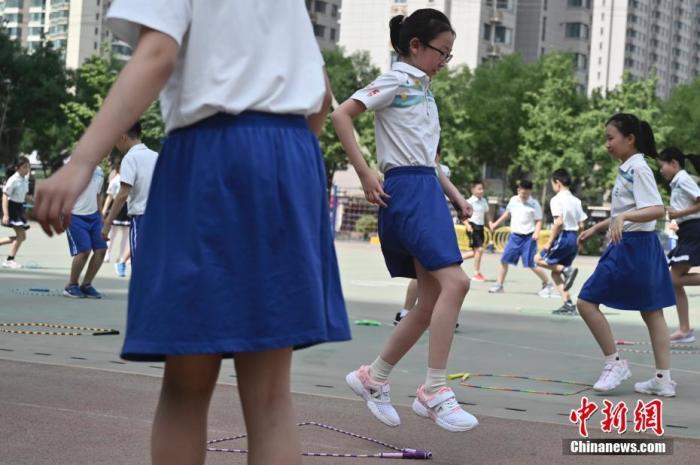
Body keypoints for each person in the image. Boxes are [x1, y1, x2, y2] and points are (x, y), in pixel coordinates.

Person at [32, 2, 351, 464]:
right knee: (270, 398)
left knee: (186, 385)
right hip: (291, 154)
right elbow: (321, 95)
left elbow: (157, 52)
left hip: (212, 153)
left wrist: (81, 161)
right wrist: (281, 161)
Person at [333, 9, 477, 433]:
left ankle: (373, 377)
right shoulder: (397, 79)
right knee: (458, 283)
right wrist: (363, 172)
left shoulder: (424, 88)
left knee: (429, 302)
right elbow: (342, 114)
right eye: (442, 53)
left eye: (449, 55)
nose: (444, 62)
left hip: (426, 190)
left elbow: (428, 160)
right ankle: (434, 389)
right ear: (415, 46)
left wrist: (455, 196)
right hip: (407, 193)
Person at [577, 113, 676, 397]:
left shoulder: (638, 168)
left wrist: (623, 219)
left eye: (611, 138)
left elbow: (657, 209)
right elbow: (626, 213)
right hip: (641, 246)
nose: (606, 144)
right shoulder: (629, 168)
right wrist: (598, 226)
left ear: (629, 139)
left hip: (632, 247)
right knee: (652, 312)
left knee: (586, 302)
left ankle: (615, 362)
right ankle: (663, 379)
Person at [658, 147, 700, 344]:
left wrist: (679, 215)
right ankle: (684, 329)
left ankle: (685, 329)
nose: (661, 170)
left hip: (694, 231)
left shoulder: (683, 179)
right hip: (687, 231)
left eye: (662, 166)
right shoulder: (678, 182)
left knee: (673, 278)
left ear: (674, 163)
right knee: (674, 280)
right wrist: (677, 219)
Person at [102, 121, 158, 265]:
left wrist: (108, 223)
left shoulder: (130, 158)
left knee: (139, 264)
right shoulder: (156, 156)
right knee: (154, 263)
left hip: (141, 217)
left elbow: (123, 194)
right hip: (160, 218)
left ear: (123, 137)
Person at [535, 169, 587, 315]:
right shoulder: (576, 201)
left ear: (557, 182)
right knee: (555, 273)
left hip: (563, 236)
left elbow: (558, 222)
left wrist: (549, 242)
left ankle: (567, 271)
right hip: (574, 238)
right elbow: (582, 224)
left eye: (552, 183)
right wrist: (581, 241)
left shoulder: (557, 199)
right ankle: (568, 303)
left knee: (538, 259)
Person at [488, 180, 552, 295]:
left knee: (531, 263)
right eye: (523, 193)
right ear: (518, 190)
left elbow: (538, 220)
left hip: (529, 237)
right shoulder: (513, 200)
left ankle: (547, 283)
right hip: (515, 236)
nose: (525, 196)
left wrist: (536, 233)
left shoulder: (534, 204)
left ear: (530, 192)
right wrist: (495, 224)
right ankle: (499, 284)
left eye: (527, 193)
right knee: (504, 260)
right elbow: (507, 214)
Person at [64, 165, 108, 298]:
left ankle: (86, 284)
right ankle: (71, 285)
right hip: (75, 215)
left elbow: (97, 196)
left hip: (94, 217)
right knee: (84, 250)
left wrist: (102, 218)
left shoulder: (99, 171)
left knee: (101, 250)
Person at [102, 161, 131, 276]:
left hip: (127, 207)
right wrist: (105, 209)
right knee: (112, 233)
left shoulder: (130, 179)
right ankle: (107, 254)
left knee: (126, 233)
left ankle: (121, 256)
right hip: (117, 206)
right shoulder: (115, 180)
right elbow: (109, 196)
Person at [1, 157, 31, 269]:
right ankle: (9, 260)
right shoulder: (13, 180)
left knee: (22, 237)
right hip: (12, 208)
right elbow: (5, 196)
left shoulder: (24, 179)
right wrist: (6, 214)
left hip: (19, 208)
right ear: (17, 168)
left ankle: (9, 259)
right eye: (24, 167)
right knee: (21, 236)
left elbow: (25, 196)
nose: (27, 169)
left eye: (27, 166)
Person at [462, 180, 491, 282]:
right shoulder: (469, 202)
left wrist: (490, 224)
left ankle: (456, 259)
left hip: (480, 227)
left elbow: (487, 213)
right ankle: (476, 273)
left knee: (475, 253)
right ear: (472, 190)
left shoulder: (484, 201)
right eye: (479, 189)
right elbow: (463, 216)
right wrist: (467, 225)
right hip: (472, 227)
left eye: (482, 189)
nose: (481, 191)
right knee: (479, 250)